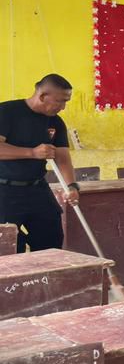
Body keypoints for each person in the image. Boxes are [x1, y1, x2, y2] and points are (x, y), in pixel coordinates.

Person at [0, 74, 79, 252]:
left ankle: (48, 270)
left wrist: (71, 186)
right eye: (60, 101)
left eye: (66, 101)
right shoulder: (6, 112)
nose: (63, 107)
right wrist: (32, 152)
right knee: (9, 247)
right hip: (4, 190)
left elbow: (62, 157)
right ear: (42, 96)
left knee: (51, 239)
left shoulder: (55, 121)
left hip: (37, 188)